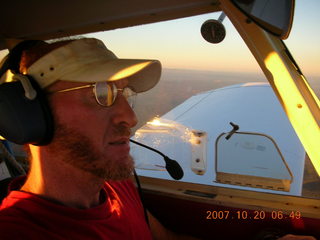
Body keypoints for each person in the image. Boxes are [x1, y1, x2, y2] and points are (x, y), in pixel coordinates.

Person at [0, 38, 316, 240]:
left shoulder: (118, 186)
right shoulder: (17, 230)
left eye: (124, 93)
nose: (130, 117)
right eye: (101, 93)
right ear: (30, 115)